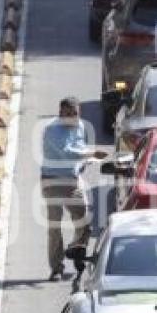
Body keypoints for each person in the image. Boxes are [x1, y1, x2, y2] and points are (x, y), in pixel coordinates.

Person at [40, 96, 107, 280]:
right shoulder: (52, 130)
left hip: (72, 180)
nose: (71, 117)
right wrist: (92, 153)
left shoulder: (80, 127)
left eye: (74, 114)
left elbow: (79, 148)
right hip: (52, 181)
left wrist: (86, 161)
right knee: (55, 226)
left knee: (83, 221)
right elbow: (67, 151)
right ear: (60, 113)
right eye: (67, 114)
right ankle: (56, 267)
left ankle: (75, 249)